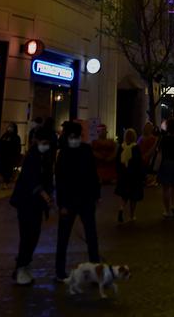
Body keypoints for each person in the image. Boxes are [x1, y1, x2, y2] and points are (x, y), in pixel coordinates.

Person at [55, 121, 101, 282]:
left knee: (68, 237)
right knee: (89, 235)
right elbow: (93, 174)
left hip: (76, 200)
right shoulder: (80, 151)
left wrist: (62, 203)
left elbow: (61, 180)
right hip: (82, 199)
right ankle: (94, 270)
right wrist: (96, 195)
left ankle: (61, 271)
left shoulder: (66, 153)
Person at [9, 126, 54, 285]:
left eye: (47, 142)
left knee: (33, 235)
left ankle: (24, 265)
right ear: (36, 140)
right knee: (27, 235)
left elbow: (47, 178)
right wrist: (44, 194)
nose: (45, 145)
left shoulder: (45, 157)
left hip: (36, 204)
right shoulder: (32, 156)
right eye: (43, 142)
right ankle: (21, 267)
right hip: (26, 202)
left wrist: (48, 195)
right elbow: (30, 179)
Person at [115, 128, 144, 223]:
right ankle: (132, 215)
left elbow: (117, 161)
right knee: (133, 197)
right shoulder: (135, 148)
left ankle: (121, 208)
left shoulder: (121, 147)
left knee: (124, 195)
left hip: (124, 175)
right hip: (134, 176)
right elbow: (139, 163)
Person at [157, 119, 174, 219]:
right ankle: (173, 206)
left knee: (165, 188)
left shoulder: (163, 139)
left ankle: (167, 210)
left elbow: (159, 152)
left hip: (166, 163)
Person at [0, 123, 22, 189]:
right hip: (2, 155)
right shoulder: (4, 135)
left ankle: (6, 182)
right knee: (1, 169)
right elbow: (0, 144)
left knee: (8, 170)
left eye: (11, 127)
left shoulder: (16, 137)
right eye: (9, 126)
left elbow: (17, 147)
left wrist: (16, 156)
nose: (9, 128)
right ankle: (1, 182)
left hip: (10, 157)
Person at [137, 122, 158, 187]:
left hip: (148, 159)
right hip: (141, 158)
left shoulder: (154, 138)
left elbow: (153, 150)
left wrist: (146, 155)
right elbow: (137, 148)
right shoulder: (141, 138)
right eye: (146, 127)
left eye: (149, 127)